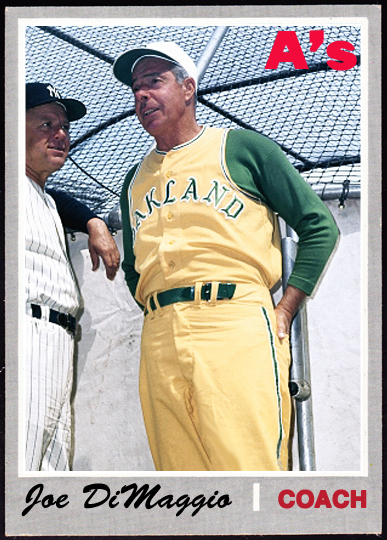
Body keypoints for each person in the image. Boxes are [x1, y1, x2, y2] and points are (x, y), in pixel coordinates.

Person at [113, 42, 339, 471]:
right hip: (160, 335)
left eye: (155, 82)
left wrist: (285, 310)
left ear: (188, 89)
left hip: (234, 322)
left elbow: (319, 227)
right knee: (181, 487)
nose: (142, 95)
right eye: (136, 88)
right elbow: (132, 268)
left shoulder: (241, 148)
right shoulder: (133, 179)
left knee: (248, 474)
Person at [25, 82, 120, 471]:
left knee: (48, 474)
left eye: (64, 126)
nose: (60, 134)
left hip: (59, 344)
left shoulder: (45, 197)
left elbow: (58, 198)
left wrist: (92, 219)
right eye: (46, 123)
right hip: (24, 338)